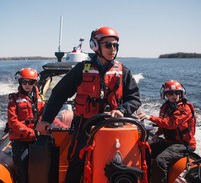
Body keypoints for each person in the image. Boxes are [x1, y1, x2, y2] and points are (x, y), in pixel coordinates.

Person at [36, 26, 141, 183]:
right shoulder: (82, 70)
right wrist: (46, 119)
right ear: (95, 46)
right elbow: (59, 94)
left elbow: (134, 98)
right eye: (108, 45)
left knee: (115, 163)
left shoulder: (123, 72)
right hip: (84, 126)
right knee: (77, 162)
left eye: (115, 45)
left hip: (112, 126)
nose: (113, 49)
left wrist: (122, 110)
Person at [137, 80, 196, 183]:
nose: (174, 95)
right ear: (165, 95)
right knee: (145, 149)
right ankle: (147, 176)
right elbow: (163, 123)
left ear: (181, 93)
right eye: (170, 93)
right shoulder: (166, 107)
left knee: (160, 161)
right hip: (170, 142)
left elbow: (170, 123)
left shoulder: (185, 109)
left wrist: (149, 117)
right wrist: (157, 134)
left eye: (177, 93)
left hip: (183, 144)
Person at [7, 67, 45, 183]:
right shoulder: (14, 100)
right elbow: (13, 121)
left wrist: (58, 124)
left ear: (35, 83)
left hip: (35, 141)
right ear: (20, 82)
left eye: (31, 82)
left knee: (38, 170)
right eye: (24, 82)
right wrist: (30, 132)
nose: (27, 85)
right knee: (22, 172)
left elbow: (44, 115)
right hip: (20, 142)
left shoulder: (39, 99)